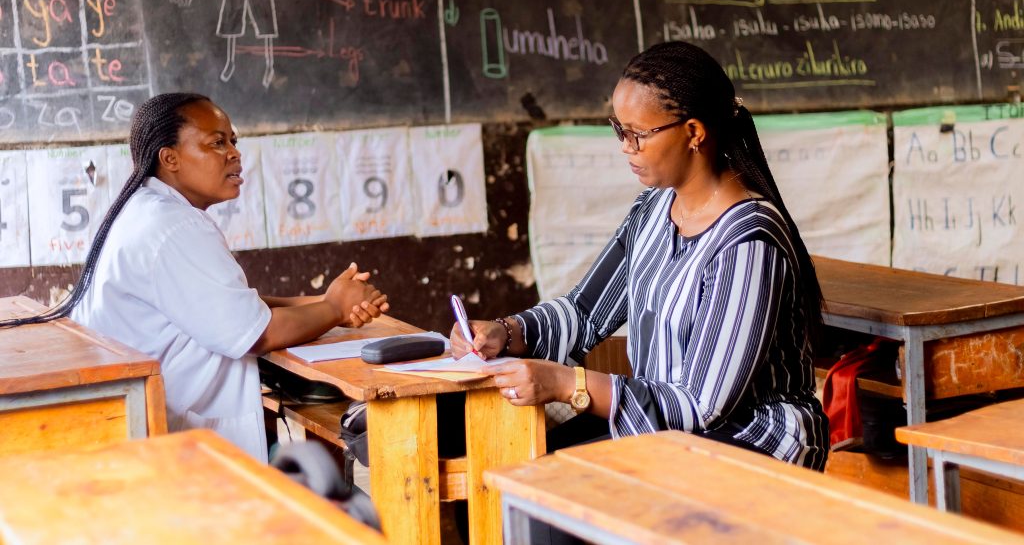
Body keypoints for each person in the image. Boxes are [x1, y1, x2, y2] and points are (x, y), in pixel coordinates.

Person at [452, 41, 828, 473]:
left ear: (694, 133)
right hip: (662, 428)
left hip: (750, 443)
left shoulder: (748, 241)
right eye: (619, 130)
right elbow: (585, 312)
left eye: (638, 134)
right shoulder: (652, 210)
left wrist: (566, 383)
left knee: (557, 488)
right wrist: (508, 331)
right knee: (527, 474)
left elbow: (703, 407)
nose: (625, 147)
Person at [41, 92, 388, 462]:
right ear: (169, 158)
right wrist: (335, 307)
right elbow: (257, 333)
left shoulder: (146, 209)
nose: (234, 154)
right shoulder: (175, 227)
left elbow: (227, 304)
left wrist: (322, 302)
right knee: (316, 467)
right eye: (216, 143)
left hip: (147, 418)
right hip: (176, 440)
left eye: (233, 141)